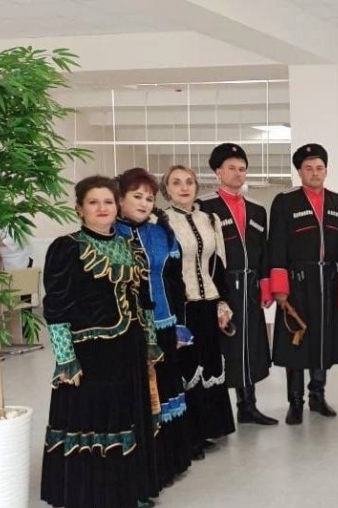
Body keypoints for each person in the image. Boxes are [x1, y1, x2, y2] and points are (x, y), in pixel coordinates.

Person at [41, 175, 161, 508]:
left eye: (108, 201)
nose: (102, 208)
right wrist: (66, 357)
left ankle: (126, 493)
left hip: (129, 349)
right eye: (93, 202)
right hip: (90, 353)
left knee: (127, 416)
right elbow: (55, 306)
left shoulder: (130, 247)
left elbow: (144, 301)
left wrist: (150, 342)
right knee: (94, 419)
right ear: (79, 208)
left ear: (117, 206)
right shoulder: (67, 247)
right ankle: (92, 496)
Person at [115, 168, 193, 487]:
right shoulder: (111, 235)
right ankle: (145, 471)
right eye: (137, 196)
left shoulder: (161, 233)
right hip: (128, 330)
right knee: (142, 398)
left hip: (164, 324)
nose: (144, 203)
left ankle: (169, 463)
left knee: (167, 390)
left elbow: (175, 282)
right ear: (120, 199)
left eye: (149, 198)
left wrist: (180, 324)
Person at [267, 144, 338, 425]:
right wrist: (280, 287)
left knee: (323, 340)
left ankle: (317, 395)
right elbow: (276, 245)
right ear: (300, 172)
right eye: (308, 168)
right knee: (297, 341)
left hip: (329, 282)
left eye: (319, 168)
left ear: (326, 170)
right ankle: (295, 402)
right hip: (297, 282)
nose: (315, 173)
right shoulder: (285, 202)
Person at [197, 143, 277, 425]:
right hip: (222, 285)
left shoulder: (257, 210)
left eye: (242, 169)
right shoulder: (205, 207)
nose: (238, 174)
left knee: (250, 344)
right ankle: (217, 412)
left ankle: (248, 406)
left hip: (251, 285)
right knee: (224, 346)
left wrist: (266, 286)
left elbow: (264, 251)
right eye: (231, 168)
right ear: (218, 171)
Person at [162, 164, 236, 459]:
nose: (184, 187)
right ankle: (188, 435)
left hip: (208, 302)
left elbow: (219, 264)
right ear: (166, 189)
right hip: (182, 305)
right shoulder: (161, 221)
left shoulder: (210, 219)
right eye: (176, 182)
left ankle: (207, 428)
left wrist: (222, 303)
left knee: (209, 362)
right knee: (186, 366)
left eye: (189, 182)